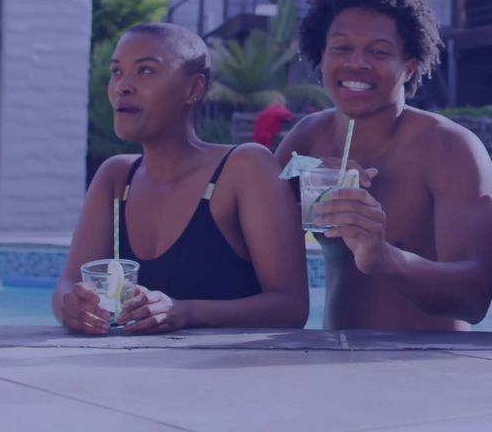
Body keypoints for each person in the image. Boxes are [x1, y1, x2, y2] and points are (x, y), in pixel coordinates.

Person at [276, 0, 492, 331]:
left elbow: (475, 298)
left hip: (434, 369)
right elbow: (247, 250)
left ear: (408, 67)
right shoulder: (306, 141)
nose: (357, 63)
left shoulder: (449, 148)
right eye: (341, 48)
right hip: (334, 365)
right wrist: (297, 182)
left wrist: (384, 257)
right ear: (322, 55)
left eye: (379, 51)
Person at [53, 23, 309, 335]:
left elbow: (291, 308)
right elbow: (68, 283)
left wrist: (185, 311)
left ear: (194, 89)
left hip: (226, 377)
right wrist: (73, 305)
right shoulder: (117, 178)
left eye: (145, 71)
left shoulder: (245, 168)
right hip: (129, 377)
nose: (122, 86)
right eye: (117, 72)